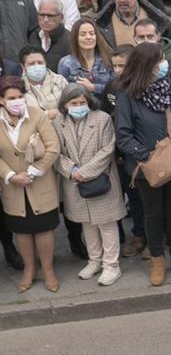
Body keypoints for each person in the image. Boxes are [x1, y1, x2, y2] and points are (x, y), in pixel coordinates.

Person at [112, 40, 171, 288]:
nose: (163, 64)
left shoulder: (169, 88)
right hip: (147, 168)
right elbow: (123, 135)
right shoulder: (127, 95)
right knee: (153, 214)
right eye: (159, 60)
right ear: (146, 64)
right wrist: (146, 157)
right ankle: (157, 259)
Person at [55, 82, 124, 287]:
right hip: (73, 181)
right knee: (87, 224)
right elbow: (56, 152)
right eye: (73, 103)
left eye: (82, 102)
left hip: (101, 179)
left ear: (89, 102)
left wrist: (83, 172)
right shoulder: (58, 123)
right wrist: (71, 171)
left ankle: (112, 265)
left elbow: (107, 150)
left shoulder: (102, 119)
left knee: (106, 223)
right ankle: (94, 261)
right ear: (65, 104)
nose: (78, 106)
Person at [0, 73, 60, 292]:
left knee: (44, 228)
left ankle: (48, 270)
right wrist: (10, 176)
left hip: (40, 182)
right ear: (2, 100)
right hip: (13, 186)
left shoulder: (37, 116)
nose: (17, 101)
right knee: (22, 231)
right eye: (11, 97)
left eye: (20, 96)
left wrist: (34, 171)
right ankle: (29, 269)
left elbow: (53, 147)